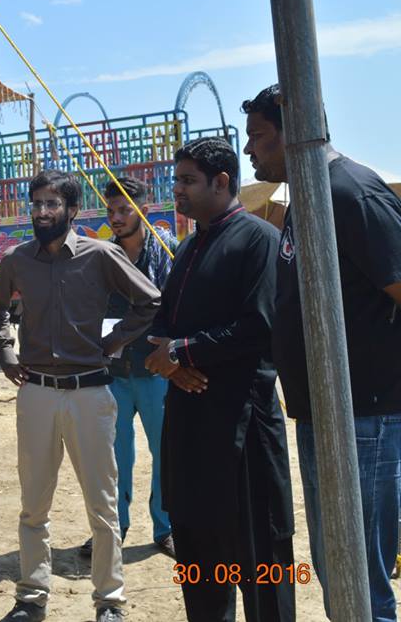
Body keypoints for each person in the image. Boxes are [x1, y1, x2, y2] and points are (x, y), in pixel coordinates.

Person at [242, 83, 401, 622]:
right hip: (324, 416)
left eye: (259, 139)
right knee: (336, 569)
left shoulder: (351, 193)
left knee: (360, 574)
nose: (250, 152)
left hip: (365, 418)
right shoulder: (305, 199)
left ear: (297, 133)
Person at [0, 169, 162, 622]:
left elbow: (150, 301)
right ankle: (31, 598)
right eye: (36, 204)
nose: (42, 212)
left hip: (90, 393)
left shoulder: (100, 255)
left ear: (72, 210)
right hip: (37, 394)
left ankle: (109, 602)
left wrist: (112, 342)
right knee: (34, 504)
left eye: (51, 204)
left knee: (102, 505)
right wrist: (7, 354)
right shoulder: (16, 260)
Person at [144, 137, 295, 622]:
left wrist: (183, 352)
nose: (177, 190)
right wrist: (169, 358)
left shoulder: (258, 239)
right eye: (177, 180)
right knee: (199, 553)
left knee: (261, 558)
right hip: (189, 425)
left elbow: (260, 325)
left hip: (242, 425)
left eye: (187, 181)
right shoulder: (190, 245)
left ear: (222, 181)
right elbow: (163, 320)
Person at [79, 176, 178, 560]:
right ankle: (112, 529)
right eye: (111, 211)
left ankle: (166, 528)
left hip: (157, 373)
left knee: (165, 453)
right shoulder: (105, 257)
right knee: (113, 458)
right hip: (116, 376)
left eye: (124, 210)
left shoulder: (168, 251)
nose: (116, 218)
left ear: (144, 210)